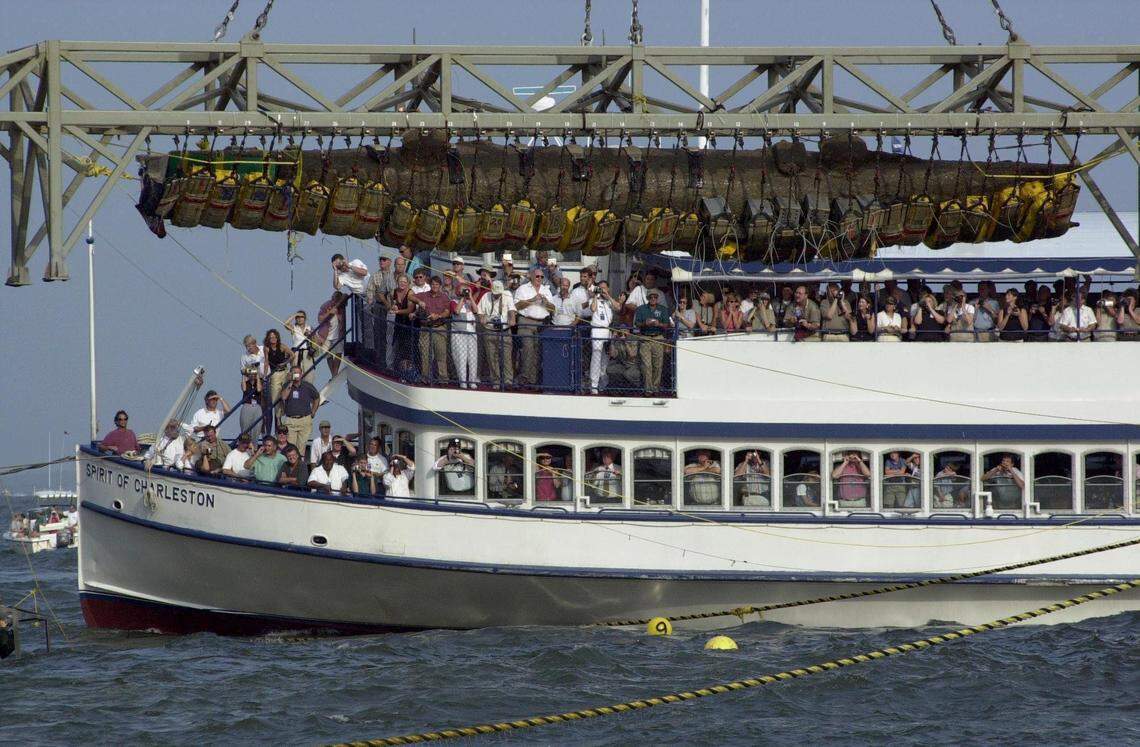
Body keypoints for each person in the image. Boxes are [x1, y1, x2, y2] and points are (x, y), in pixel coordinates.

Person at [513, 268, 556, 386]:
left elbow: (553, 309)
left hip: (541, 324)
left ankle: (532, 380)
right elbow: (516, 306)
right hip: (526, 322)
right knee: (528, 349)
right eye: (537, 276)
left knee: (537, 352)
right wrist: (531, 300)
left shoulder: (546, 290)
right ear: (531, 276)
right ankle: (524, 377)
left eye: (542, 277)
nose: (540, 279)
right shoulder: (523, 289)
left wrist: (546, 302)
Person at [411, 275, 451, 383]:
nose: (435, 286)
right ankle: (426, 378)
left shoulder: (444, 297)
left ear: (440, 286)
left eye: (437, 284)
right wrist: (419, 302)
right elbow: (410, 296)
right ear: (430, 285)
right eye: (433, 284)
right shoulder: (424, 295)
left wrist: (438, 316)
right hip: (425, 328)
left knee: (441, 354)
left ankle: (443, 379)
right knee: (425, 354)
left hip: (439, 327)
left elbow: (447, 312)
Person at [477, 280, 517, 388]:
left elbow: (512, 310)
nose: (497, 295)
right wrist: (482, 318)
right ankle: (496, 381)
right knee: (491, 357)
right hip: (489, 330)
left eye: (499, 293)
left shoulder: (507, 295)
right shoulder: (486, 296)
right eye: (495, 293)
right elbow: (480, 311)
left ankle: (508, 381)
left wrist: (512, 319)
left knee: (507, 357)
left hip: (504, 330)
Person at [634, 289, 670, 394]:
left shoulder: (663, 309)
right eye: (651, 297)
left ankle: (655, 388)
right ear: (647, 298)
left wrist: (658, 324)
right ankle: (648, 389)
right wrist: (645, 323)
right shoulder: (641, 309)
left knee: (658, 365)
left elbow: (667, 324)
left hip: (658, 338)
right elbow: (637, 323)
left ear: (657, 298)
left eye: (655, 297)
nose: (653, 299)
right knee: (646, 365)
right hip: (645, 338)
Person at [279, 365, 321, 453]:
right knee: (290, 448)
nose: (296, 375)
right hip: (291, 420)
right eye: (294, 373)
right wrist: (290, 381)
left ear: (301, 374)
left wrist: (313, 411)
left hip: (305, 420)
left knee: (301, 448)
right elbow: (283, 397)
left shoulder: (307, 386)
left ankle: (300, 464)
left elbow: (317, 397)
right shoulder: (287, 385)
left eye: (298, 373)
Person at [589, 280, 618, 393]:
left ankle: (602, 382)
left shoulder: (609, 302)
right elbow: (592, 309)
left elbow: (618, 307)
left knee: (605, 358)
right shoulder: (594, 299)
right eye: (600, 288)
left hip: (608, 331)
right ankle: (594, 385)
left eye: (604, 288)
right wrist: (596, 295)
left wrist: (608, 296)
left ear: (608, 289)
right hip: (597, 329)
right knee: (596, 354)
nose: (602, 290)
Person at [450, 281, 479, 389]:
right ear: (458, 291)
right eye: (463, 290)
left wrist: (470, 297)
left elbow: (476, 310)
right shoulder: (453, 301)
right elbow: (456, 311)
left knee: (472, 357)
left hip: (471, 332)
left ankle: (472, 381)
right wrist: (462, 298)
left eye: (466, 290)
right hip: (459, 333)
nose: (465, 291)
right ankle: (462, 381)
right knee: (461, 357)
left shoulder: (469, 302)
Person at [314, 292, 348, 377]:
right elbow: (320, 320)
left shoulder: (341, 307)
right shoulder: (326, 306)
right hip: (326, 335)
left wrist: (338, 304)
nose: (334, 300)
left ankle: (335, 372)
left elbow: (346, 296)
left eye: (336, 299)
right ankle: (333, 373)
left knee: (338, 352)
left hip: (338, 334)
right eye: (333, 298)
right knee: (327, 354)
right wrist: (330, 313)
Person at [390, 273, 417, 372]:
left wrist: (397, 311)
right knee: (397, 345)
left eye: (405, 282)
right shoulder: (394, 291)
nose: (402, 284)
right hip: (398, 322)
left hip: (408, 323)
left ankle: (408, 370)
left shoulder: (410, 293)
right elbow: (392, 303)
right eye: (400, 281)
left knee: (407, 347)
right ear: (397, 282)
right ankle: (398, 368)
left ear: (408, 283)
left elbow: (410, 309)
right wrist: (393, 306)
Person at [284, 310, 316, 383]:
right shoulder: (294, 328)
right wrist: (295, 315)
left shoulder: (309, 328)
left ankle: (307, 390)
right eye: (298, 317)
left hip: (307, 353)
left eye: (301, 317)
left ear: (305, 318)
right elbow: (286, 324)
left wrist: (310, 335)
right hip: (296, 352)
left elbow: (316, 341)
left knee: (309, 374)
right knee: (295, 374)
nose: (299, 318)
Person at [238, 365, 264, 440]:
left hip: (257, 406)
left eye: (253, 373)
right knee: (245, 428)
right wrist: (244, 374)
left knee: (257, 428)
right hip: (247, 405)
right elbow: (244, 388)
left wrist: (258, 375)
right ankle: (245, 444)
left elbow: (259, 389)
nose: (252, 375)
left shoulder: (258, 382)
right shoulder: (246, 382)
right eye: (251, 373)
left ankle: (254, 446)